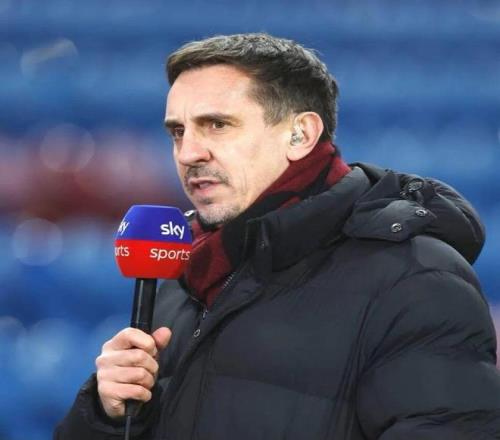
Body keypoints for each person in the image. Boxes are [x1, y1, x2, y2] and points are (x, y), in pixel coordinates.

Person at [55, 33, 500, 439]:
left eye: (217, 125)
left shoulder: (415, 279)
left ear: (300, 134)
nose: (188, 152)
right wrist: (107, 416)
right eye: (178, 131)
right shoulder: (186, 271)